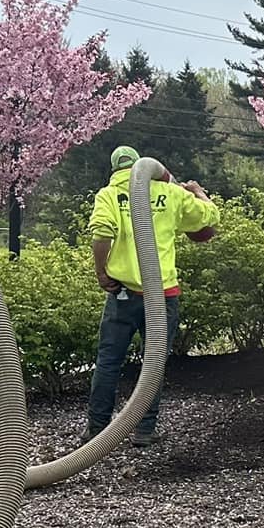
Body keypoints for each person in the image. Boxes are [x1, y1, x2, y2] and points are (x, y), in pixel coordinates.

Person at [84, 145, 219, 446]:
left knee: (108, 361)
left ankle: (97, 429)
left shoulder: (108, 195)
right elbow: (210, 217)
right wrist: (198, 191)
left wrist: (101, 272)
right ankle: (144, 430)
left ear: (115, 169)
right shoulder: (170, 193)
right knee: (153, 362)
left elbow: (101, 234)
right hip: (162, 295)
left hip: (121, 293)